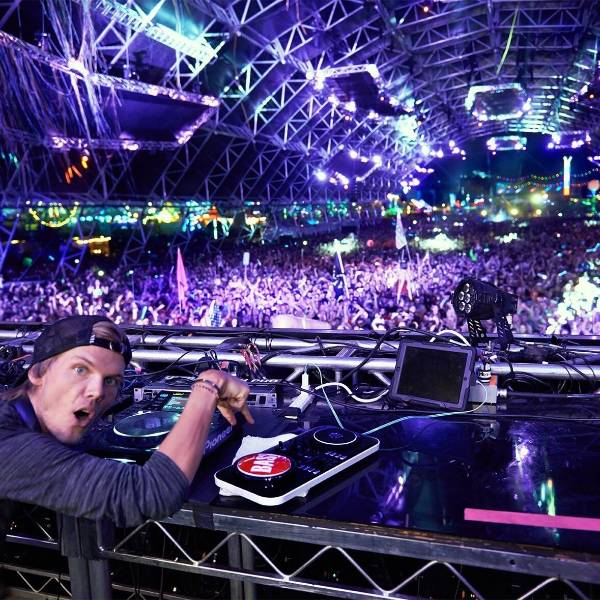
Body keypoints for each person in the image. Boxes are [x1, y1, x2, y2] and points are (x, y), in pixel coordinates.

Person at [0, 315, 253, 550]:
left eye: (111, 381)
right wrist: (209, 384)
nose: (97, 391)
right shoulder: (8, 441)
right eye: (80, 369)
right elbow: (152, 491)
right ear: (37, 373)